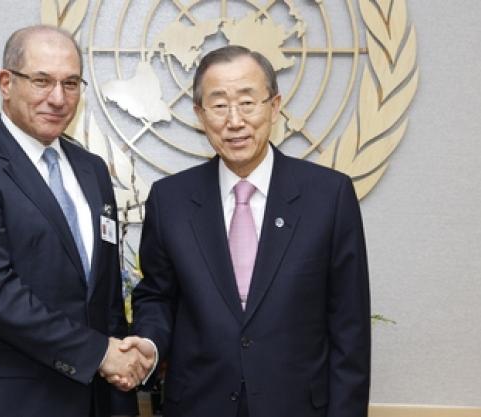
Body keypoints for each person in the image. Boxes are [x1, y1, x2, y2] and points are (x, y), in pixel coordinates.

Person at [126, 45, 371, 417]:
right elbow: (157, 297)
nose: (234, 120)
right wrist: (149, 343)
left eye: (247, 102)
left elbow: (349, 328)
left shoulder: (329, 196)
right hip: (197, 405)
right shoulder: (170, 200)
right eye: (219, 105)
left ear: (274, 106)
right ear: (199, 114)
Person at [0, 25, 152, 417]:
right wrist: (98, 353)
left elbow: (105, 294)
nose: (58, 98)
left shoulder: (93, 170)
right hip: (6, 400)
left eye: (70, 83)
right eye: (41, 81)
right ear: (6, 82)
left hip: (95, 398)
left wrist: (122, 370)